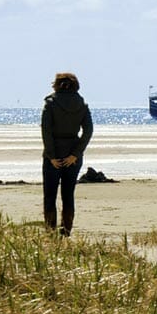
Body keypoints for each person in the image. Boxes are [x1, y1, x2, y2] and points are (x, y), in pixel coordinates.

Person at [41, 72, 93, 236]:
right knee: (68, 194)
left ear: (57, 85)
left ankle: (50, 232)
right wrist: (75, 154)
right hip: (73, 155)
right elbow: (88, 131)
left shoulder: (50, 103)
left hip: (54, 154)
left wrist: (51, 156)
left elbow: (46, 131)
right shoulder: (82, 104)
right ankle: (66, 231)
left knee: (50, 195)